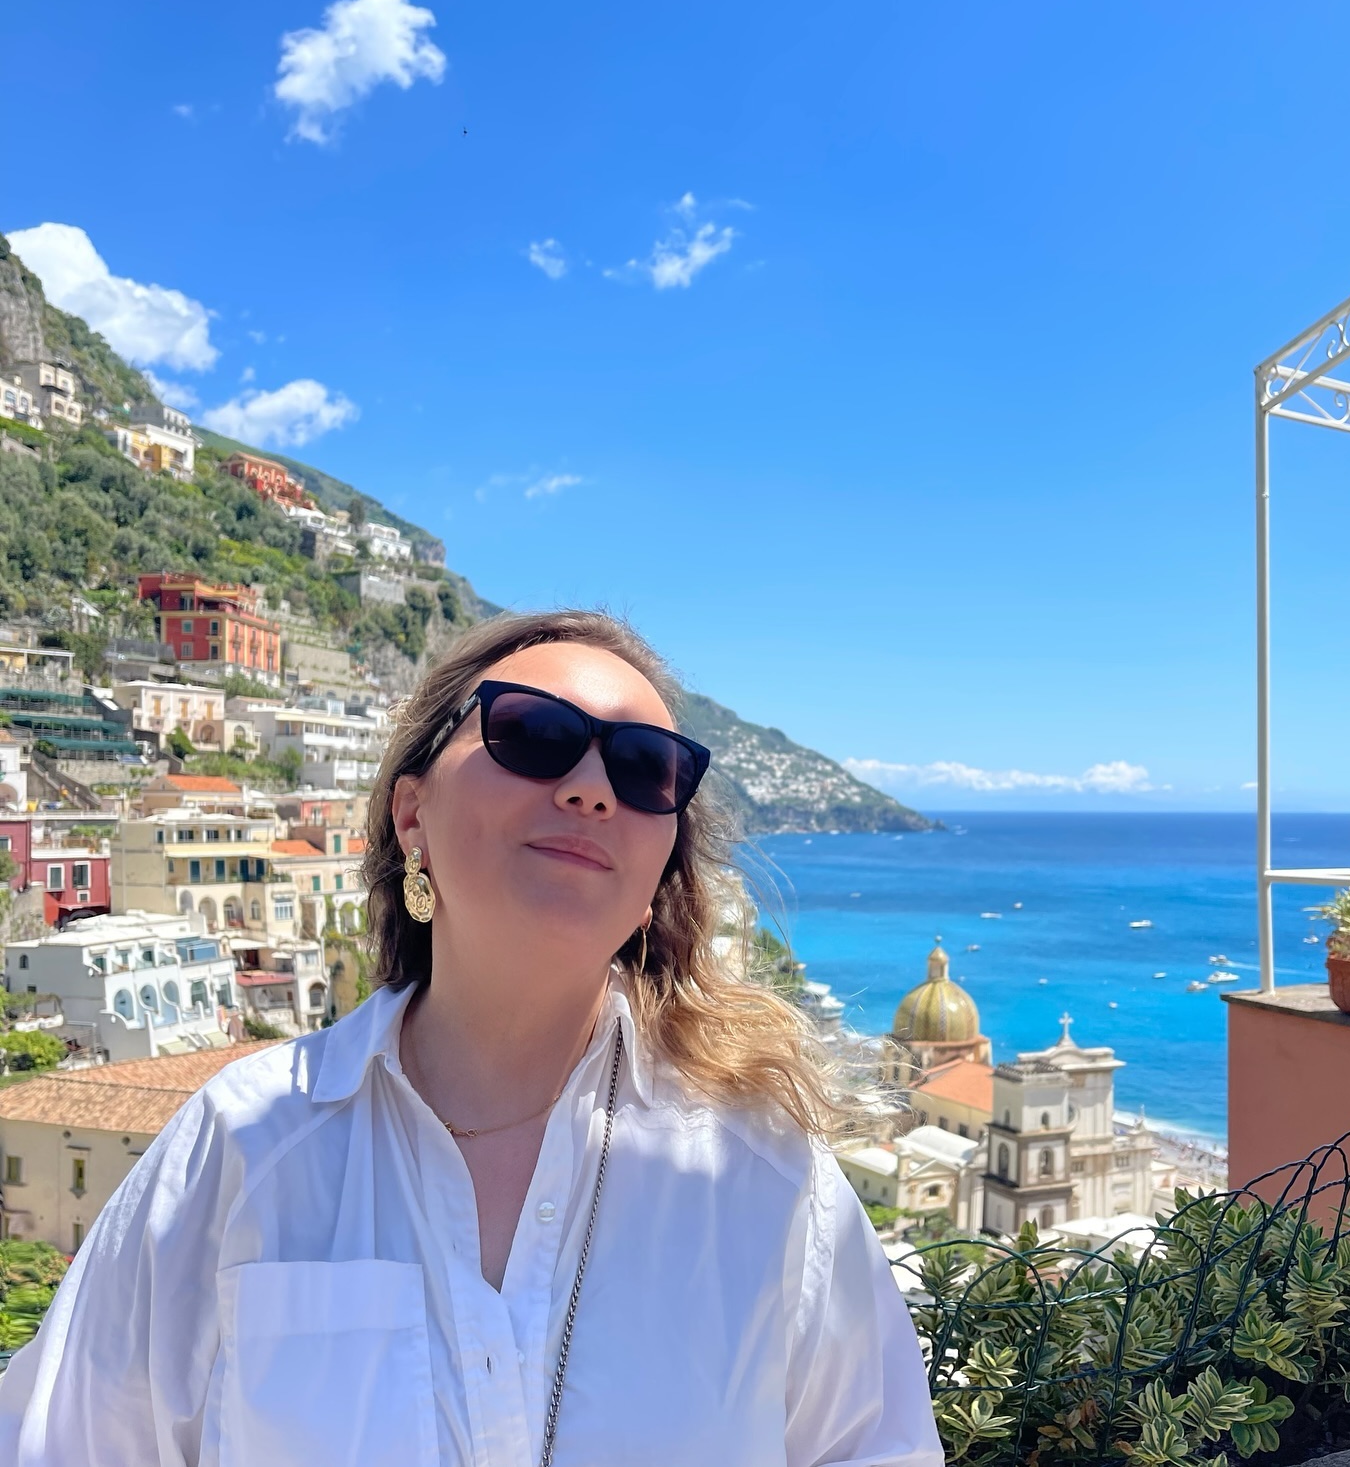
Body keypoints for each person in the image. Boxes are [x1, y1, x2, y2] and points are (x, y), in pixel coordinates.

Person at [0, 610, 943, 1466]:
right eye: (532, 735)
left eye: (644, 767)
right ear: (413, 813)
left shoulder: (766, 1181)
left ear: (658, 871)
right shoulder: (244, 1146)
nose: (591, 788)